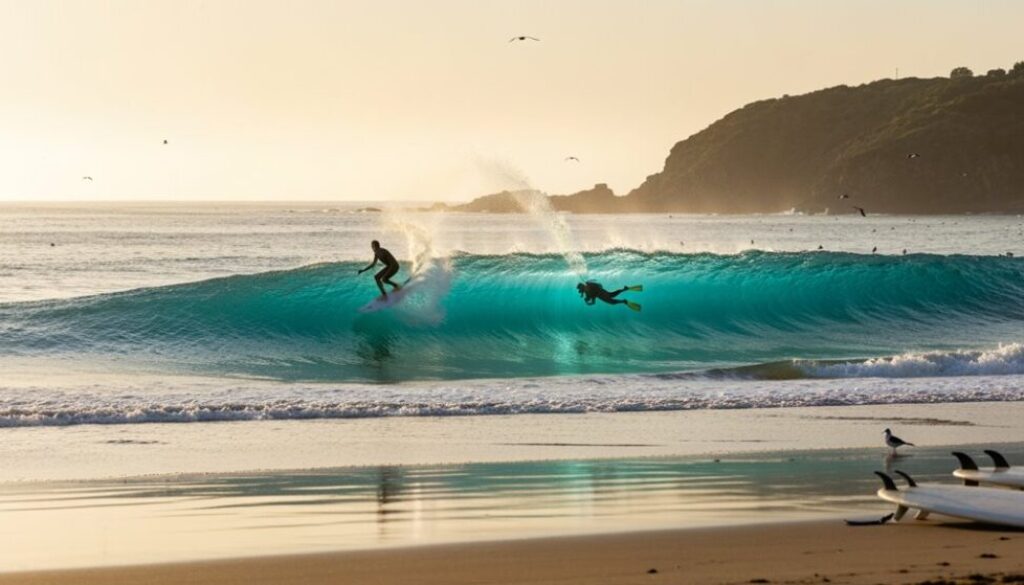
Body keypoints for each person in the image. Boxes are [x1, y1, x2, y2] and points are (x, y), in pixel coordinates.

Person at [576, 281, 642, 311]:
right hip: (603, 292)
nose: (580, 290)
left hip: (602, 295)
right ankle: (624, 289)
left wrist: (588, 303)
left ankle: (624, 301)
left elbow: (593, 301)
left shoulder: (588, 291)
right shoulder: (587, 288)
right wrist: (586, 299)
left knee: (612, 301)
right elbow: (589, 294)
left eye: (580, 288)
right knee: (612, 295)